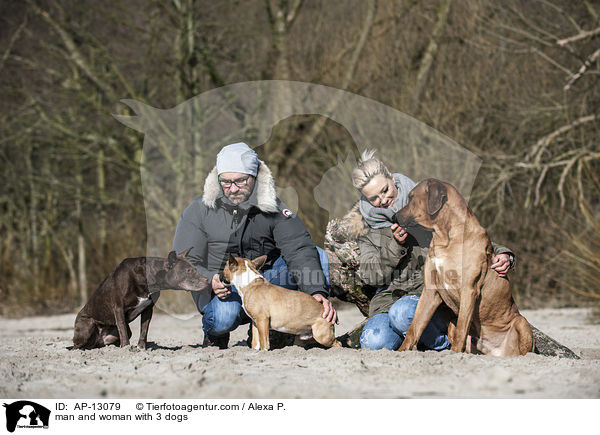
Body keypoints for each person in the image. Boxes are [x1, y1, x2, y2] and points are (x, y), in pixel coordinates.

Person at [345, 150, 514, 350]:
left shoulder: (426, 205)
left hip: (426, 297)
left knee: (403, 313)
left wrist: (504, 253)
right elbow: (371, 277)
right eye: (374, 198)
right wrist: (395, 245)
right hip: (388, 301)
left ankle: (443, 343)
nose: (383, 200)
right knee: (374, 341)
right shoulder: (368, 230)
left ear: (392, 178)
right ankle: (418, 338)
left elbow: (467, 235)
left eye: (385, 190)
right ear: (364, 198)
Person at [173, 142, 336, 348]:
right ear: (217, 179)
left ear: (255, 176)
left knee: (316, 254)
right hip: (224, 285)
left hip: (266, 281)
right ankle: (216, 334)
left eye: (241, 181)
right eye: (225, 182)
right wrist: (210, 278)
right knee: (222, 319)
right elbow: (182, 261)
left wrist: (316, 291)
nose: (233, 188)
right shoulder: (199, 209)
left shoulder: (274, 207)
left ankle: (305, 329)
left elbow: (299, 248)